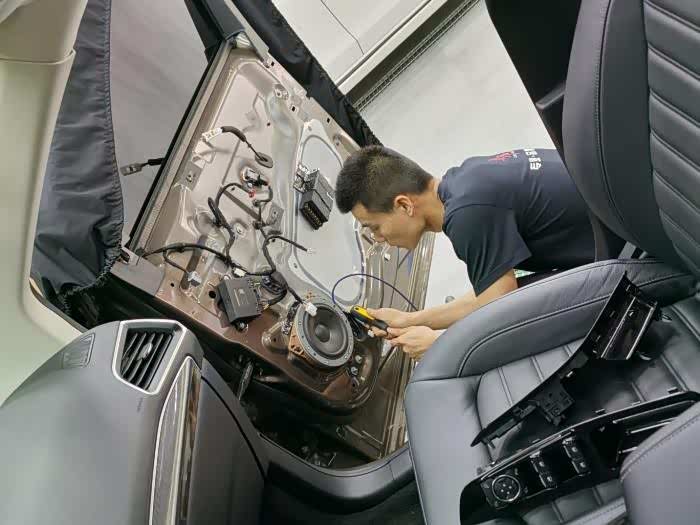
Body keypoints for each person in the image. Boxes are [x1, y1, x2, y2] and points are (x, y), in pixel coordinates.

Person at [335, 146, 594, 359]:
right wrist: (411, 320)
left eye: (375, 227)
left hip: (614, 262)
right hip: (609, 226)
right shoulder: (465, 180)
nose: (378, 239)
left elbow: (507, 318)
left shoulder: (467, 217)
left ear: (404, 205)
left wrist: (438, 344)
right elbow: (491, 295)